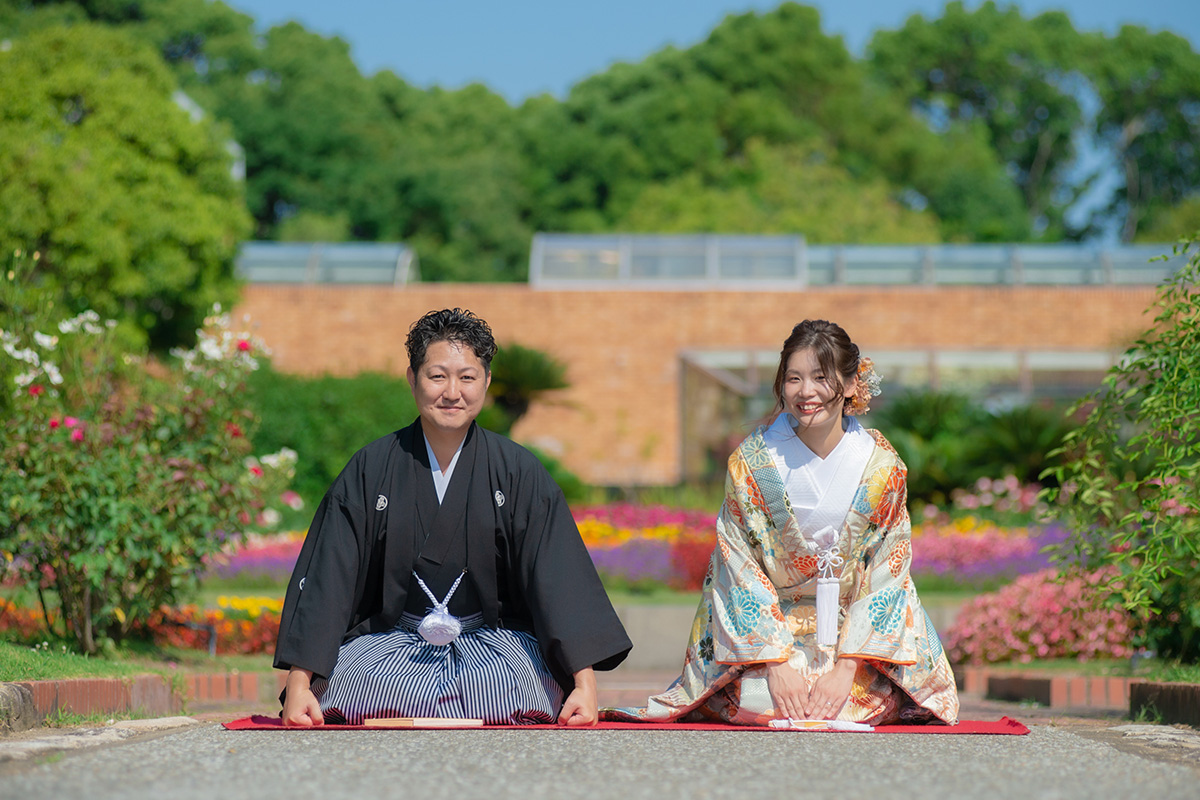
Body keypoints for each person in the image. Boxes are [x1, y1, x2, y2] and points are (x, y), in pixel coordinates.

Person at [274, 308, 632, 727]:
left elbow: (557, 577)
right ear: (412, 379)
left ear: (486, 382)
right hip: (395, 642)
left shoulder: (516, 470)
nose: (452, 392)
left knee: (512, 685)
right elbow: (329, 576)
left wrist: (584, 687)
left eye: (467, 377)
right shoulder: (372, 467)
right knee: (355, 684)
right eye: (437, 376)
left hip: (491, 643)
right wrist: (300, 684)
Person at [605, 319, 958, 726]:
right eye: (794, 378)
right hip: (771, 637)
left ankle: (845, 684)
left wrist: (846, 669)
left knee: (858, 700)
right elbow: (738, 564)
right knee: (753, 700)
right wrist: (776, 665)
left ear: (849, 384)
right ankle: (778, 681)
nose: (806, 392)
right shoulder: (752, 464)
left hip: (852, 637)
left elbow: (887, 572)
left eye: (821, 377)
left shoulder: (882, 467)